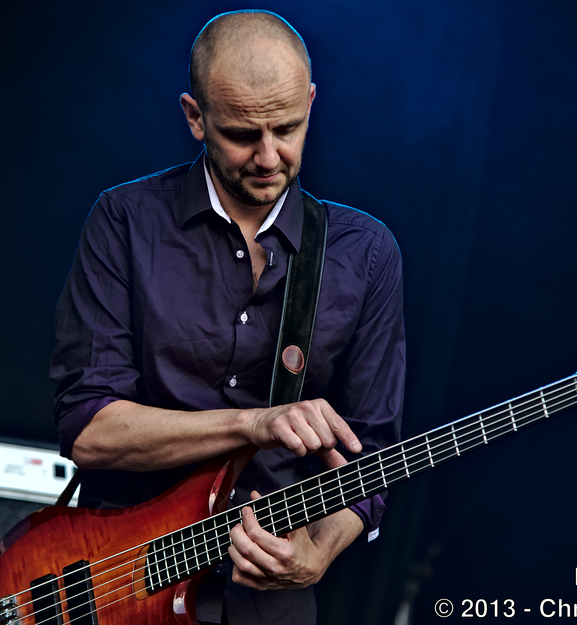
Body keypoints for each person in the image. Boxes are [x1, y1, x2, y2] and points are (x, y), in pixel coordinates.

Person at [50, 10, 405, 624]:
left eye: (287, 128)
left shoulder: (367, 254)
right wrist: (253, 424)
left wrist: (318, 553)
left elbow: (371, 453)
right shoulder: (125, 222)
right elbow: (89, 430)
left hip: (266, 605)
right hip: (119, 584)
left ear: (310, 104)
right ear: (196, 117)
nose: (268, 156)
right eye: (243, 134)